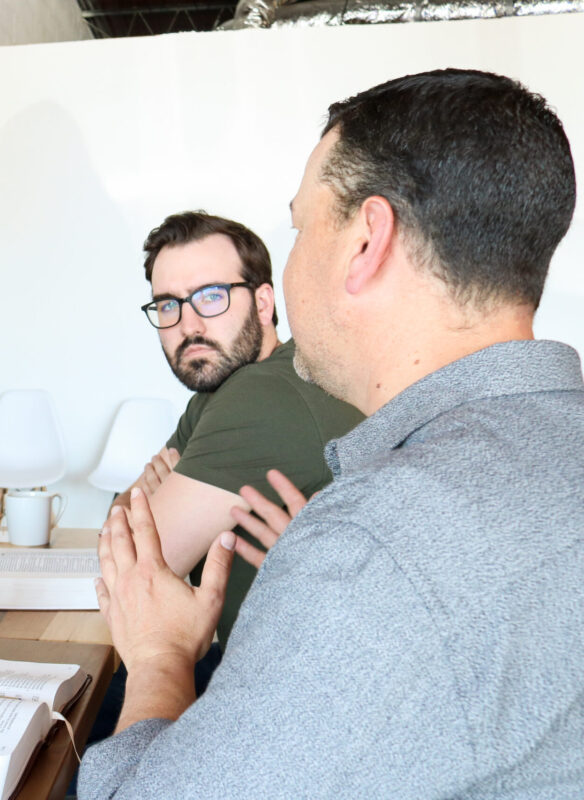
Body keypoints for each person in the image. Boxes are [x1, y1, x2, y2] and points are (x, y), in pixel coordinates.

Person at [80, 68, 584, 797]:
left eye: (299, 227)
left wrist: (159, 658)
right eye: (167, 304)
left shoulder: (380, 544)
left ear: (365, 241)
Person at [121, 211, 361, 649]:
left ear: (264, 303)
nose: (188, 325)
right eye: (168, 304)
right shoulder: (223, 391)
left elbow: (130, 575)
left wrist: (154, 500)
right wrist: (140, 513)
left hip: (294, 695)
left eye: (210, 297)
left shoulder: (263, 396)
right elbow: (125, 527)